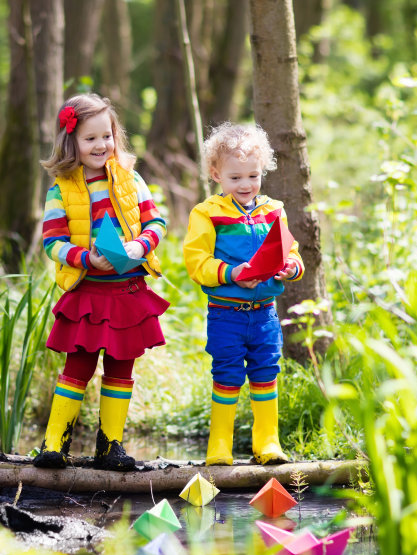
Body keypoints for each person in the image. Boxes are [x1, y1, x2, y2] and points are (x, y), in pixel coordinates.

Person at [33, 93, 169, 471]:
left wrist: (140, 246)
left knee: (122, 366)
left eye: (106, 136)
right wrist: (85, 257)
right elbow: (53, 242)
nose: (100, 146)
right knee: (78, 364)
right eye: (90, 138)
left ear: (116, 136)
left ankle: (110, 445)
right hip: (89, 292)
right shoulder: (62, 188)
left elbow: (156, 223)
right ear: (71, 141)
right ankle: (54, 444)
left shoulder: (130, 179)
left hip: (127, 292)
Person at [183, 123, 304, 466]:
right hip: (226, 314)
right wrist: (230, 272)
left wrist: (290, 267)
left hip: (265, 313)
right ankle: (219, 446)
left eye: (253, 176)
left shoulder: (273, 210)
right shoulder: (207, 213)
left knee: (267, 371)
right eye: (235, 178)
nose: (246, 185)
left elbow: (291, 250)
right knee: (227, 374)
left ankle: (267, 443)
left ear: (262, 170)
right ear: (216, 174)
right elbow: (197, 262)